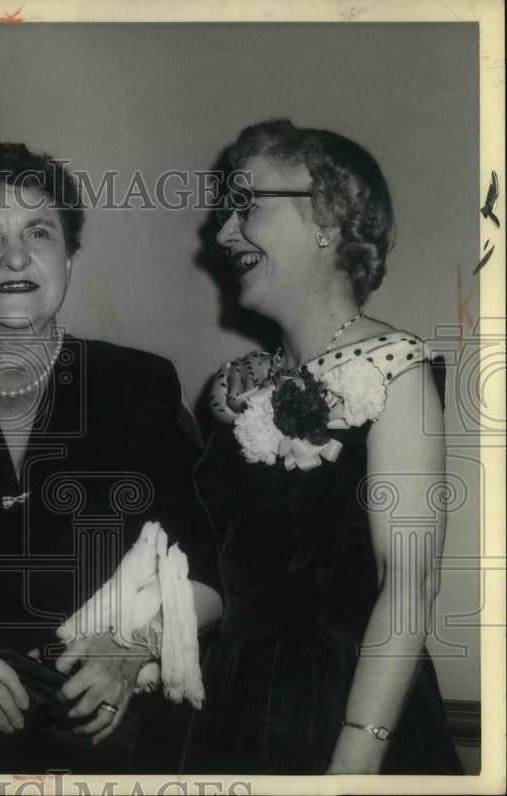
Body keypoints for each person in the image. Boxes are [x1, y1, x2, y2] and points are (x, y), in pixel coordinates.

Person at [0, 143, 223, 774]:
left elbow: (221, 565)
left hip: (117, 742)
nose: (16, 257)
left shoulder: (139, 386)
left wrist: (134, 647)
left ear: (68, 255)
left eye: (38, 231)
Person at [182, 119, 462, 774]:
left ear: (328, 218)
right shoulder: (237, 395)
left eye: (247, 206)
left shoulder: (398, 372)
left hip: (342, 715)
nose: (222, 233)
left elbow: (409, 583)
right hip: (234, 708)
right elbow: (222, 576)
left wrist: (353, 764)